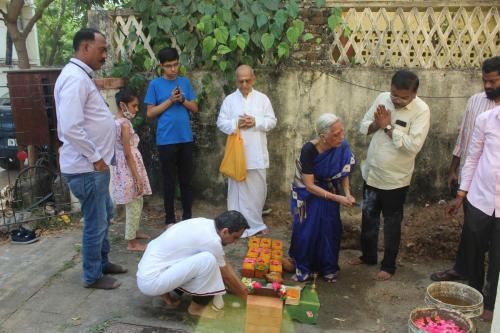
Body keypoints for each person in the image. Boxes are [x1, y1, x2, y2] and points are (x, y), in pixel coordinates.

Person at [55, 28, 127, 290]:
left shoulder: (81, 76)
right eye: (102, 49)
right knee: (96, 222)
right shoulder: (74, 79)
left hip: (94, 166)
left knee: (105, 213)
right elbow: (71, 126)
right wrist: (96, 157)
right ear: (85, 48)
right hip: (87, 167)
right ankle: (92, 275)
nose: (105, 55)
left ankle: (102, 262)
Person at [350, 70, 430, 281]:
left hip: (396, 180)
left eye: (404, 97)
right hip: (373, 172)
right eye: (395, 94)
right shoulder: (382, 98)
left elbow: (413, 146)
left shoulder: (421, 111)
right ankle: (368, 256)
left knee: (392, 223)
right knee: (368, 217)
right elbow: (363, 127)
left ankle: (389, 265)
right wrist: (377, 124)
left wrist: (387, 127)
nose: (397, 100)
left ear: (414, 94)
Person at [431, 56, 500, 282]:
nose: (488, 86)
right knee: (471, 233)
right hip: (473, 182)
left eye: (493, 81)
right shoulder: (475, 101)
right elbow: (463, 138)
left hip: (494, 188)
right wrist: (454, 169)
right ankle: (464, 272)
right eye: (485, 81)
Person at [136, 211, 249, 318]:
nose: (234, 243)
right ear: (225, 231)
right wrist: (247, 298)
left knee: (202, 258)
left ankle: (167, 295)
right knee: (209, 260)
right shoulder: (212, 241)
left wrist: (242, 288)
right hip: (152, 281)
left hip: (148, 272)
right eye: (235, 237)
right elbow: (227, 275)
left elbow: (224, 263)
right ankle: (197, 309)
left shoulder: (204, 223)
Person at [447, 101, 500, 321]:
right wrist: (461, 194)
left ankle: (492, 302)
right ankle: (476, 293)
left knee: (498, 256)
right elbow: (473, 157)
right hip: (480, 198)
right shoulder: (486, 119)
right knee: (474, 250)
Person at [289, 113, 356, 282]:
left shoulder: (342, 146)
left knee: (330, 228)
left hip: (329, 188)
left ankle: (327, 267)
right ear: (323, 137)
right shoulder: (309, 150)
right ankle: (303, 267)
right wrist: (337, 198)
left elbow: (344, 172)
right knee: (306, 229)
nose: (341, 137)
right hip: (307, 193)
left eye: (342, 132)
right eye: (336, 134)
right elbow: (309, 185)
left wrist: (347, 193)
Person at [216, 65, 277, 237]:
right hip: (237, 155)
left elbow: (272, 121)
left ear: (253, 79)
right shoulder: (229, 100)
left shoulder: (263, 99)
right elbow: (221, 123)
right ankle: (236, 227)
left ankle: (256, 224)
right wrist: (236, 123)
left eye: (247, 80)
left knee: (258, 191)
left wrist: (255, 121)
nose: (244, 84)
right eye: (240, 81)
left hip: (257, 154)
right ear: (236, 81)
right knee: (238, 192)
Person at [144, 47, 198, 226]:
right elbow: (150, 113)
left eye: (175, 65)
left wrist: (182, 100)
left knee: (186, 180)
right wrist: (170, 100)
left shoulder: (185, 82)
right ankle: (169, 219)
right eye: (169, 66)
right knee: (168, 181)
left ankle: (187, 218)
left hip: (185, 138)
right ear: (161, 66)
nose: (173, 69)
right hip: (166, 140)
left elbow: (195, 108)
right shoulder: (155, 85)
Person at [112, 87, 152, 252]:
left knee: (137, 200)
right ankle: (131, 242)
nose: (136, 109)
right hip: (130, 169)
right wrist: (138, 177)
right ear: (123, 106)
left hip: (126, 167)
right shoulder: (125, 125)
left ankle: (134, 231)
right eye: (134, 106)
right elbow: (128, 154)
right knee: (134, 203)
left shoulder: (116, 122)